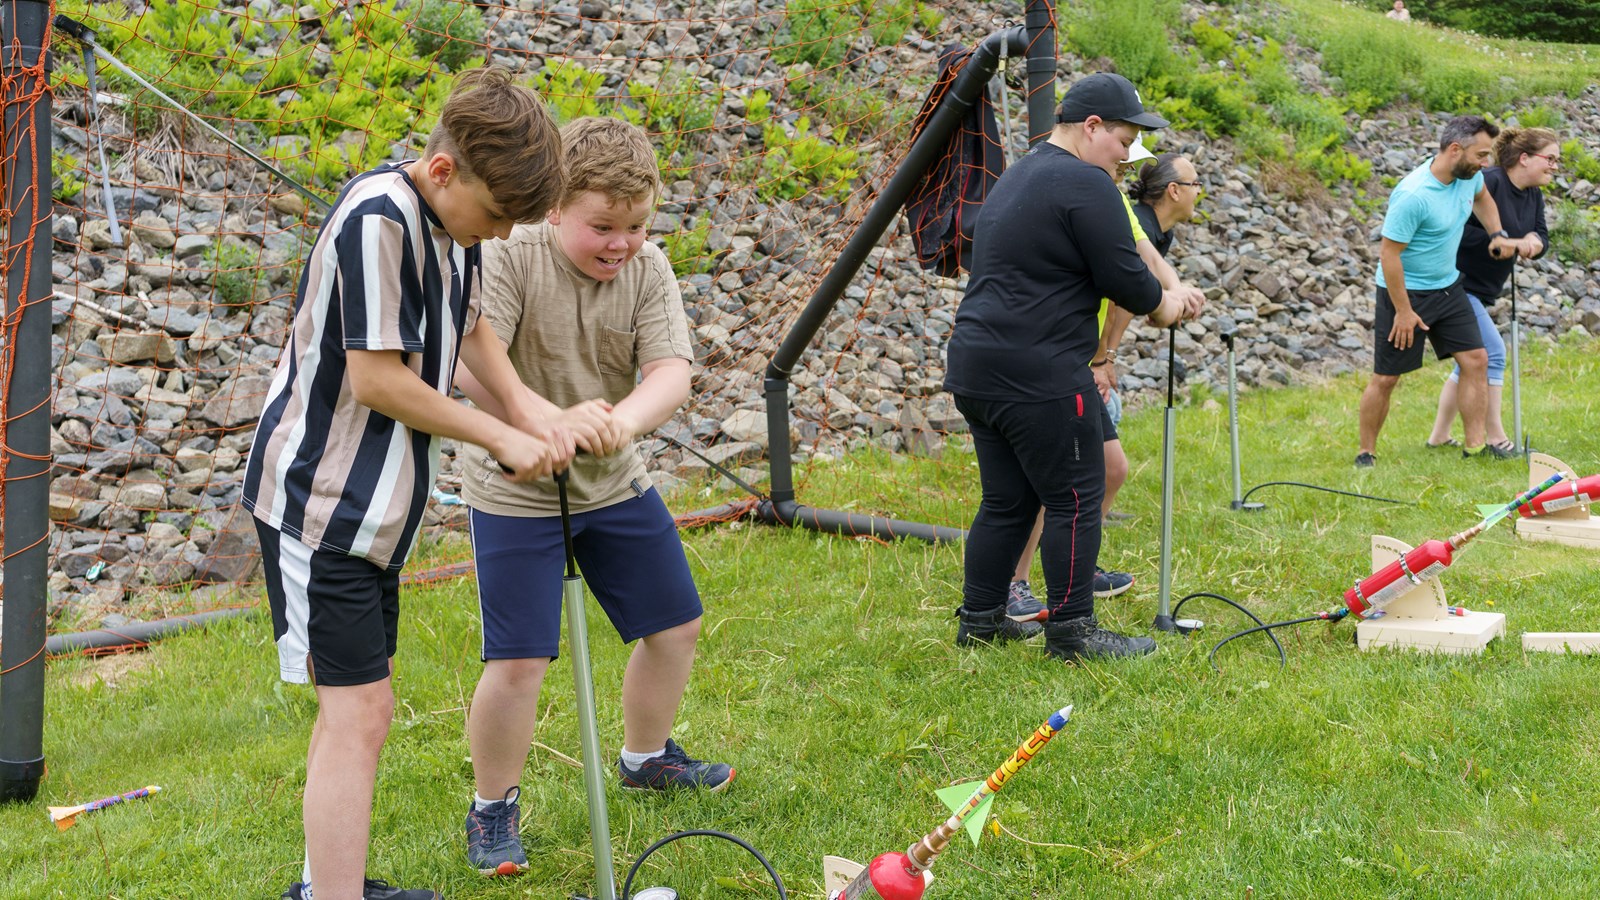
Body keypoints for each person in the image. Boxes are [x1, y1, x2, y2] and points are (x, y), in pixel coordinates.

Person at [243, 67, 569, 900]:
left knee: (353, 712)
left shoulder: (453, 232)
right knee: (360, 714)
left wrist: (533, 412)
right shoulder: (378, 219)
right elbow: (378, 380)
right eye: (495, 215)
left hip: (376, 514)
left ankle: (328, 887)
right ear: (445, 170)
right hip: (322, 507)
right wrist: (498, 433)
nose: (495, 235)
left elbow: (468, 332)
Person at [451, 116, 731, 878]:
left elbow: (670, 369)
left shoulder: (648, 270)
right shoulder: (510, 255)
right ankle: (492, 808)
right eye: (602, 226)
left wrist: (622, 422)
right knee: (520, 662)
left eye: (637, 226)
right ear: (554, 210)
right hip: (515, 491)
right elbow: (473, 366)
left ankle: (645, 759)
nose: (622, 243)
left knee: (674, 624)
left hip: (613, 483)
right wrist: (536, 421)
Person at [945, 72, 1202, 661]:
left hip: (976, 363)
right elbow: (1127, 281)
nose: (1129, 157)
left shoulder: (1021, 174)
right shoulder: (1087, 184)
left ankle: (980, 619)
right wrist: (1169, 305)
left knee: (1006, 500)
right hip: (1041, 371)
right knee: (1076, 498)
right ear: (1091, 127)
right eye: (1124, 140)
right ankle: (1073, 631)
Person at [1003, 138, 1204, 620]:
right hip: (1063, 359)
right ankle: (1016, 583)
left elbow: (1150, 265)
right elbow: (1123, 293)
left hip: (1076, 357)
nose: (1126, 170)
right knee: (1051, 485)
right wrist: (1103, 358)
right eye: (1196, 183)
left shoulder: (1122, 206)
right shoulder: (1092, 197)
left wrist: (1175, 289)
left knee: (1110, 469)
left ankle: (1077, 567)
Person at [1355, 115, 1516, 467]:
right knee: (1386, 377)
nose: (1486, 164)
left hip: (1448, 287)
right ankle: (1366, 452)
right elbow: (1389, 255)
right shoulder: (1413, 195)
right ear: (1455, 149)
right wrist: (1403, 311)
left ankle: (1475, 446)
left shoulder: (1468, 178)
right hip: (1404, 295)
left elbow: (1484, 198)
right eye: (1482, 155)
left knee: (1476, 360)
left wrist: (1497, 233)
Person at [1425, 127, 1558, 454]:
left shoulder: (1532, 195)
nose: (1555, 166)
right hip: (1454, 284)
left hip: (1483, 289)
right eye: (1550, 159)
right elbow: (1456, 230)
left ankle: (1439, 436)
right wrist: (1504, 242)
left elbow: (1541, 235)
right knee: (1493, 353)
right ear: (1524, 159)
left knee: (1467, 364)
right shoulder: (1490, 182)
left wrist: (1533, 243)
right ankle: (1497, 439)